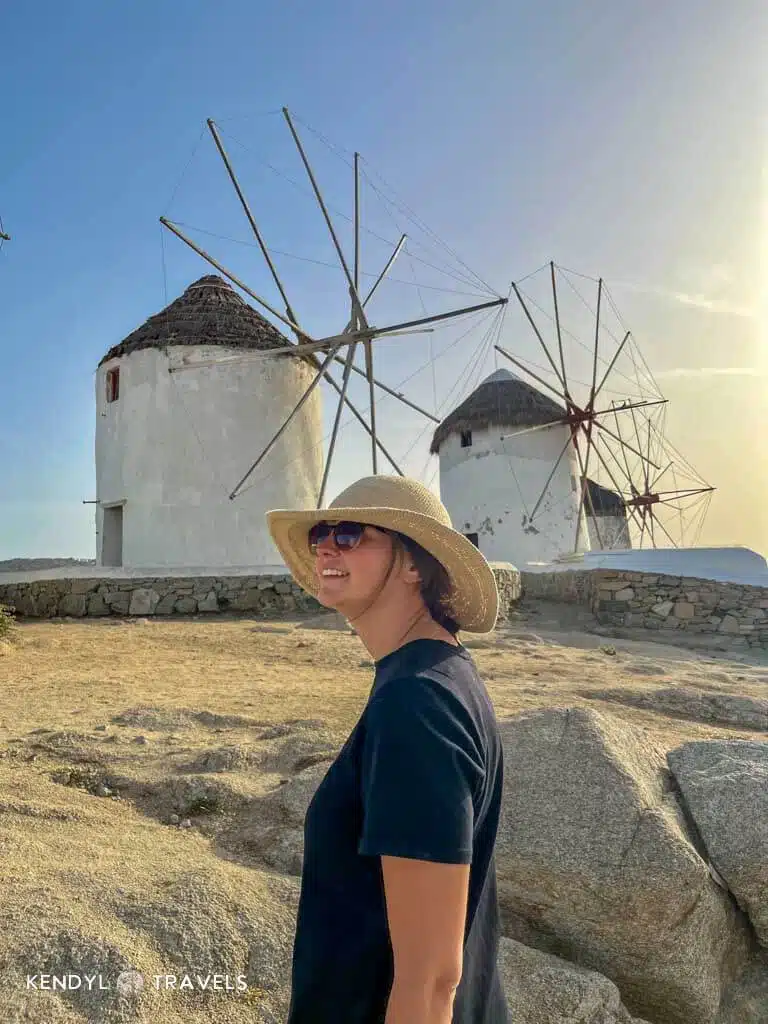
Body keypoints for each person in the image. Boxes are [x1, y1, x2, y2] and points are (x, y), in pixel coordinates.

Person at [266, 474, 510, 1023]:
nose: (326, 545)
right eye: (320, 534)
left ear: (414, 564)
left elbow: (430, 982)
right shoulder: (436, 674)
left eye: (351, 534)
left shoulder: (418, 704)